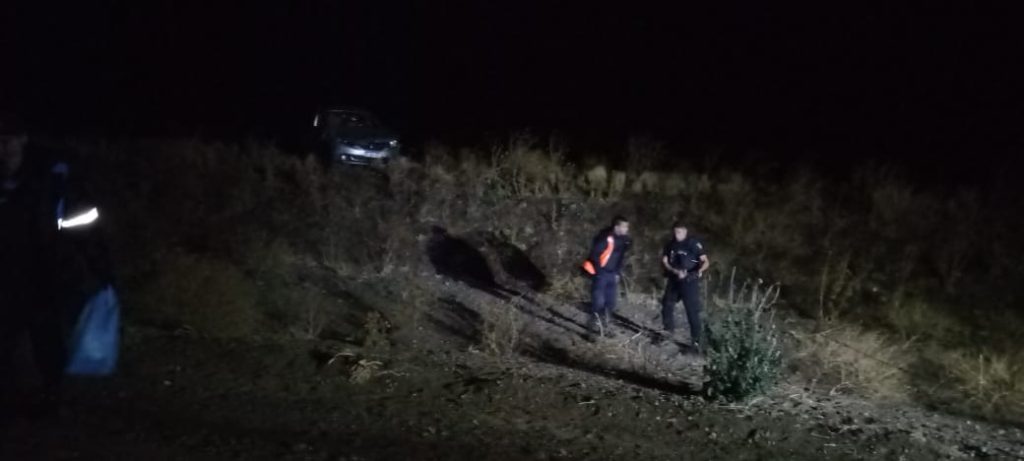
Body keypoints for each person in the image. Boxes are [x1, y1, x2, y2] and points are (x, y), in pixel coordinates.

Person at [0, 113, 106, 418]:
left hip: (43, 273)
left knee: (47, 337)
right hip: (6, 273)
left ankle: (53, 394)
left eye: (8, 139)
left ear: (22, 140)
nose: (3, 147)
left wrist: (96, 265)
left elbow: (83, 221)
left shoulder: (51, 176)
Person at [657, 221, 710, 350]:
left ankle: (696, 343)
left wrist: (697, 272)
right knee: (667, 304)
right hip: (674, 279)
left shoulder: (693, 244)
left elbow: (705, 262)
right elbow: (665, 261)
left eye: (679, 232)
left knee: (692, 311)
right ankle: (668, 332)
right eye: (675, 232)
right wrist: (672, 270)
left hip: (689, 281)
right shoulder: (670, 244)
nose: (677, 234)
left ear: (685, 232)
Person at [581, 216, 631, 338]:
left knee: (610, 303)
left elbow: (620, 258)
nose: (627, 229)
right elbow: (594, 255)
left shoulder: (624, 240)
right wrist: (599, 271)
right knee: (598, 303)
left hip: (612, 274)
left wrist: (617, 273)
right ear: (617, 227)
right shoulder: (605, 238)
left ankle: (606, 327)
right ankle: (591, 331)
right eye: (624, 227)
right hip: (601, 274)